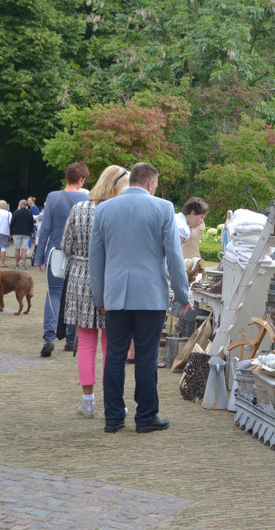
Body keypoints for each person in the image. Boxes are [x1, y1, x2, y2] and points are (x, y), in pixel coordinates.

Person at [90, 162, 191, 434]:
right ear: (151, 183)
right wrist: (183, 293)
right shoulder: (163, 208)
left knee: (115, 356)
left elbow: (95, 258)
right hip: (150, 294)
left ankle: (113, 417)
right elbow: (174, 256)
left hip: (115, 295)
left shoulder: (104, 209)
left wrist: (99, 297)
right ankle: (145, 416)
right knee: (146, 357)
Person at [61, 165, 129, 418]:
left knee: (86, 342)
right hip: (111, 277)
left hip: (80, 277)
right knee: (112, 345)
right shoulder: (120, 211)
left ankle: (87, 401)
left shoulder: (79, 208)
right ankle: (114, 400)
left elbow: (66, 245)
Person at [35, 162, 90, 357]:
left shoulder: (53, 197)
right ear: (81, 179)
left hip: (55, 252)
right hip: (78, 255)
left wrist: (39, 256)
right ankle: (70, 339)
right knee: (74, 297)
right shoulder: (88, 199)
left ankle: (49, 337)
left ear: (66, 177)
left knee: (54, 294)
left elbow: (45, 228)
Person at [10, 199, 35, 270]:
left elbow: (12, 223)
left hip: (17, 232)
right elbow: (31, 224)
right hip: (26, 233)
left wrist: (11, 233)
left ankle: (17, 264)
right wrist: (30, 231)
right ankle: (23, 264)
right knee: (24, 249)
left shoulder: (16, 212)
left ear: (20, 205)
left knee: (17, 249)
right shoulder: (29, 213)